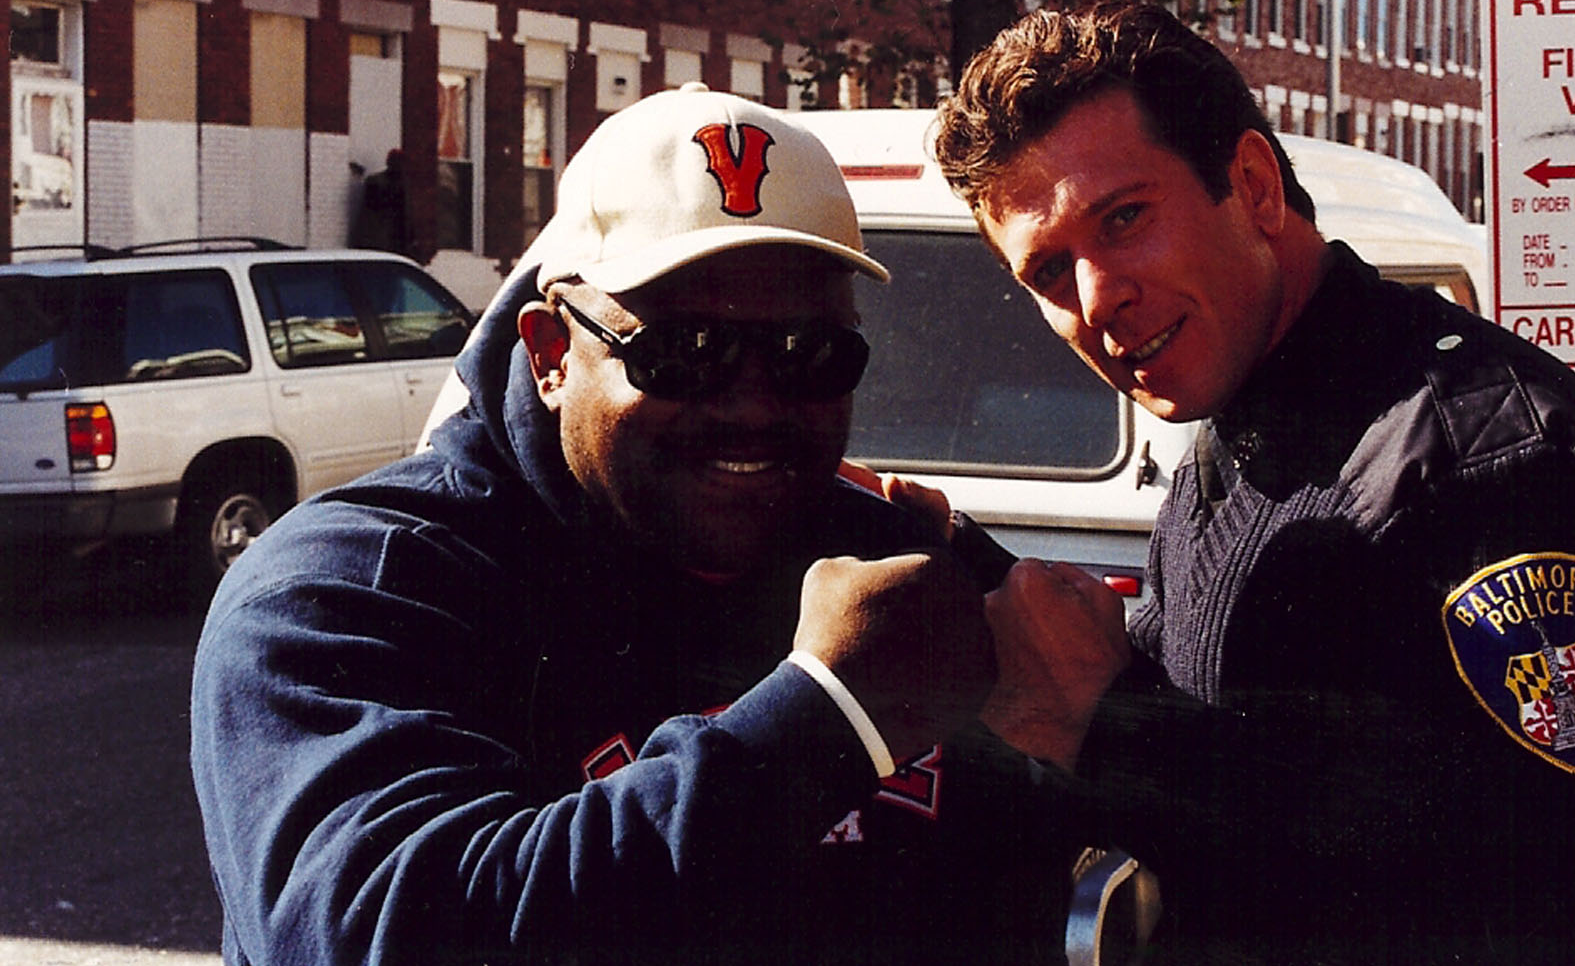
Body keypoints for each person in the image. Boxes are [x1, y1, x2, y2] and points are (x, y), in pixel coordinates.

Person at [190, 84, 1128, 966]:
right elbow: (378, 934)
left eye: (809, 352)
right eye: (685, 351)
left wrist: (1061, 744)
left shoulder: (898, 573)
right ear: (553, 354)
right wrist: (826, 716)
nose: (754, 406)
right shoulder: (353, 586)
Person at [926, 2, 1575, 962]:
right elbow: (1233, 738)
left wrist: (1111, 722)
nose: (1096, 297)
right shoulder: (1239, 432)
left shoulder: (1488, 463)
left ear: (1253, 185)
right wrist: (975, 580)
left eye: (1124, 219)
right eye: (1048, 273)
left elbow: (1539, 899)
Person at [349, 148, 413, 258]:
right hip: (379, 239)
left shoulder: (401, 184)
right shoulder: (377, 182)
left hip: (389, 239)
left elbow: (405, 215)